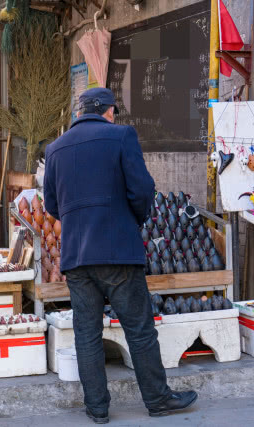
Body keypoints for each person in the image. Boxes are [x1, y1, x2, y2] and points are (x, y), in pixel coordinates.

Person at [43, 88, 198, 423]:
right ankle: (157, 400)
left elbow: (51, 206)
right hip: (117, 251)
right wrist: (134, 220)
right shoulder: (121, 136)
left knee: (86, 333)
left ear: (81, 112)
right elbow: (142, 190)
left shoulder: (55, 149)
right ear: (108, 111)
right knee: (139, 329)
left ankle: (97, 409)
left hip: (77, 256)